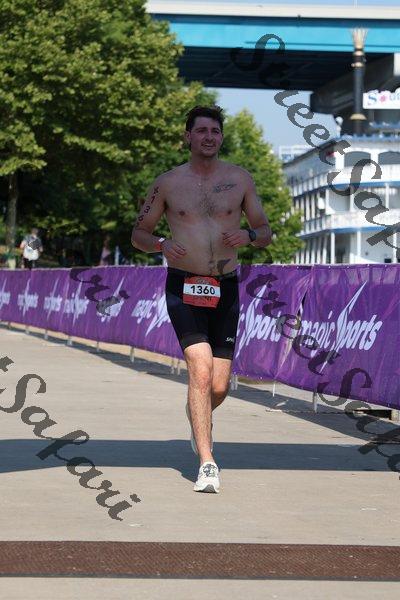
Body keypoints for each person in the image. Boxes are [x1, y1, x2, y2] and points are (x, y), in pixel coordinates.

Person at [131, 105, 271, 493]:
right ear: (188, 136)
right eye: (202, 130)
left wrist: (249, 236)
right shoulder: (167, 183)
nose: (209, 137)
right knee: (201, 369)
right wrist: (161, 243)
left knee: (219, 387)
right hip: (184, 285)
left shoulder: (239, 179)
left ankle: (197, 415)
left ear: (221, 137)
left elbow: (264, 230)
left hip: (225, 287)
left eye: (215, 131)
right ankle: (207, 462)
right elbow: (138, 234)